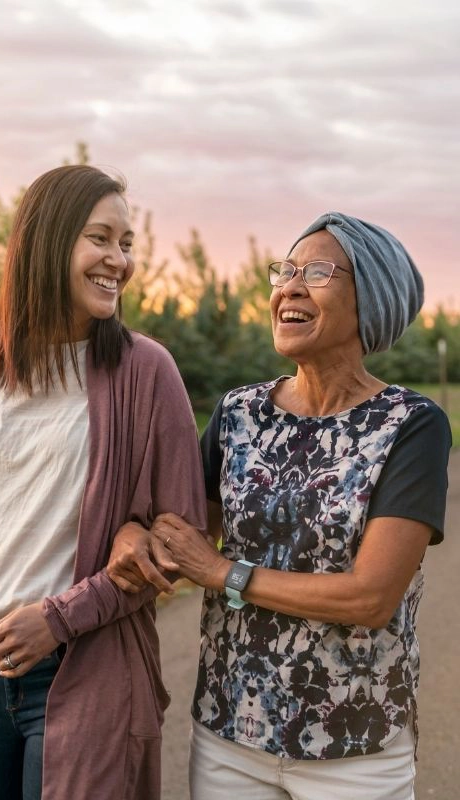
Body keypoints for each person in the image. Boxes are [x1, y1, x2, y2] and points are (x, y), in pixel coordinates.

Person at [0, 164, 206, 800]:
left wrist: (60, 617)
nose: (119, 260)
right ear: (47, 242)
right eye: (100, 238)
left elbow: (177, 540)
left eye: (126, 243)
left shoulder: (146, 372)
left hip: (84, 667)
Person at [108, 212, 451, 800]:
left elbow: (370, 598)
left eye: (317, 271)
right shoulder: (238, 413)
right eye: (285, 270)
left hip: (356, 746)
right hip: (229, 735)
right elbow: (182, 537)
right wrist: (133, 537)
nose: (289, 285)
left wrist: (222, 572)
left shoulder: (411, 426)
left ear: (370, 300)